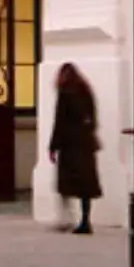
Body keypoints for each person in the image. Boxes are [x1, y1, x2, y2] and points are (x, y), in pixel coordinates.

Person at [48, 62, 102, 234]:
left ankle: (66, 218)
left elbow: (60, 122)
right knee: (85, 186)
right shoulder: (87, 92)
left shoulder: (65, 94)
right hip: (86, 145)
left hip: (69, 146)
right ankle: (85, 220)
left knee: (65, 184)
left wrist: (53, 146)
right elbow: (93, 118)